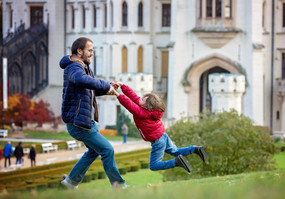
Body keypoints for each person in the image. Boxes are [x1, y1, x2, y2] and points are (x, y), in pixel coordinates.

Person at [59, 37, 126, 190]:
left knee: (94, 151)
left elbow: (89, 89)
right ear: (79, 51)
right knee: (107, 150)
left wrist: (108, 88)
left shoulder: (83, 66)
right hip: (78, 123)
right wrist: (105, 84)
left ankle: (70, 183)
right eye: (90, 50)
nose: (92, 53)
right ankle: (118, 186)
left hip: (86, 122)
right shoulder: (74, 67)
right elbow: (80, 80)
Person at [112, 82, 207, 173]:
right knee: (175, 151)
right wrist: (122, 85)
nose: (139, 99)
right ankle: (195, 149)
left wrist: (117, 94)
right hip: (162, 135)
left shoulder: (143, 113)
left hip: (157, 140)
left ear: (147, 105)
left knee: (153, 165)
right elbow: (133, 96)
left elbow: (129, 105)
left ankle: (176, 162)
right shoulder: (149, 109)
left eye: (142, 100)